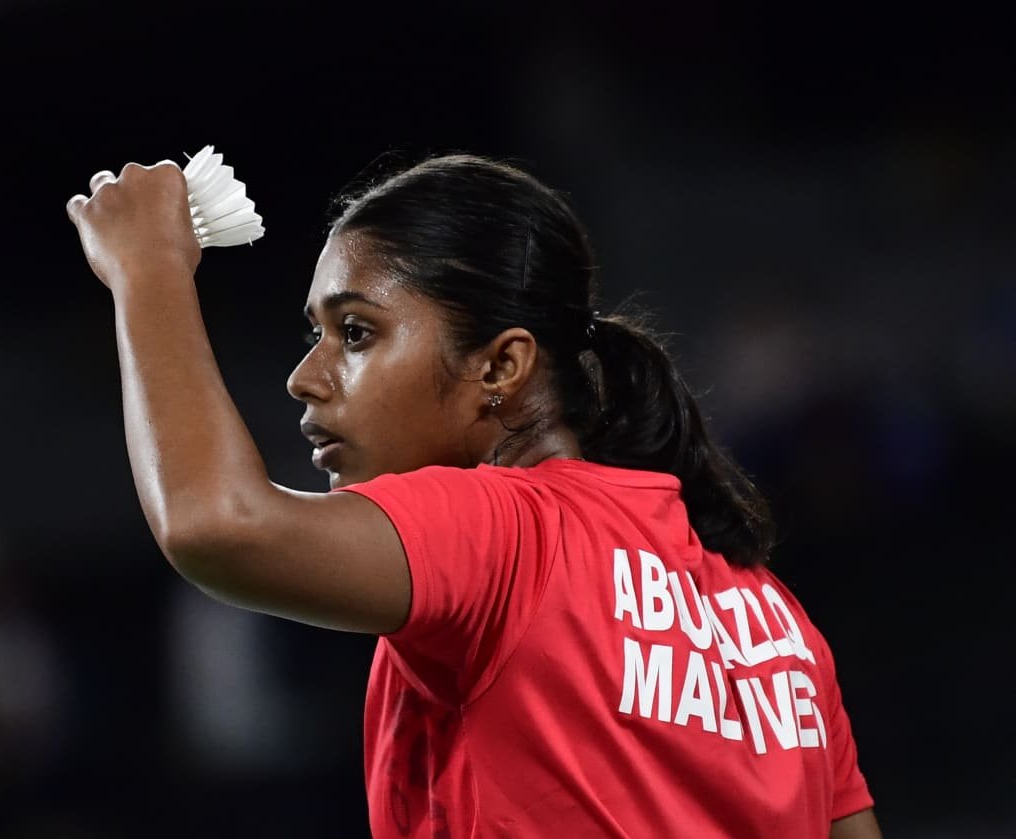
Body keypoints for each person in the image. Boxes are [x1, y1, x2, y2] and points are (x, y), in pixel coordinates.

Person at [65, 153, 879, 838]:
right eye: (317, 335)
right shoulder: (773, 619)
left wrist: (147, 270)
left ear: (499, 367)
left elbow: (216, 523)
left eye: (355, 333)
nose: (305, 377)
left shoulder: (507, 532)